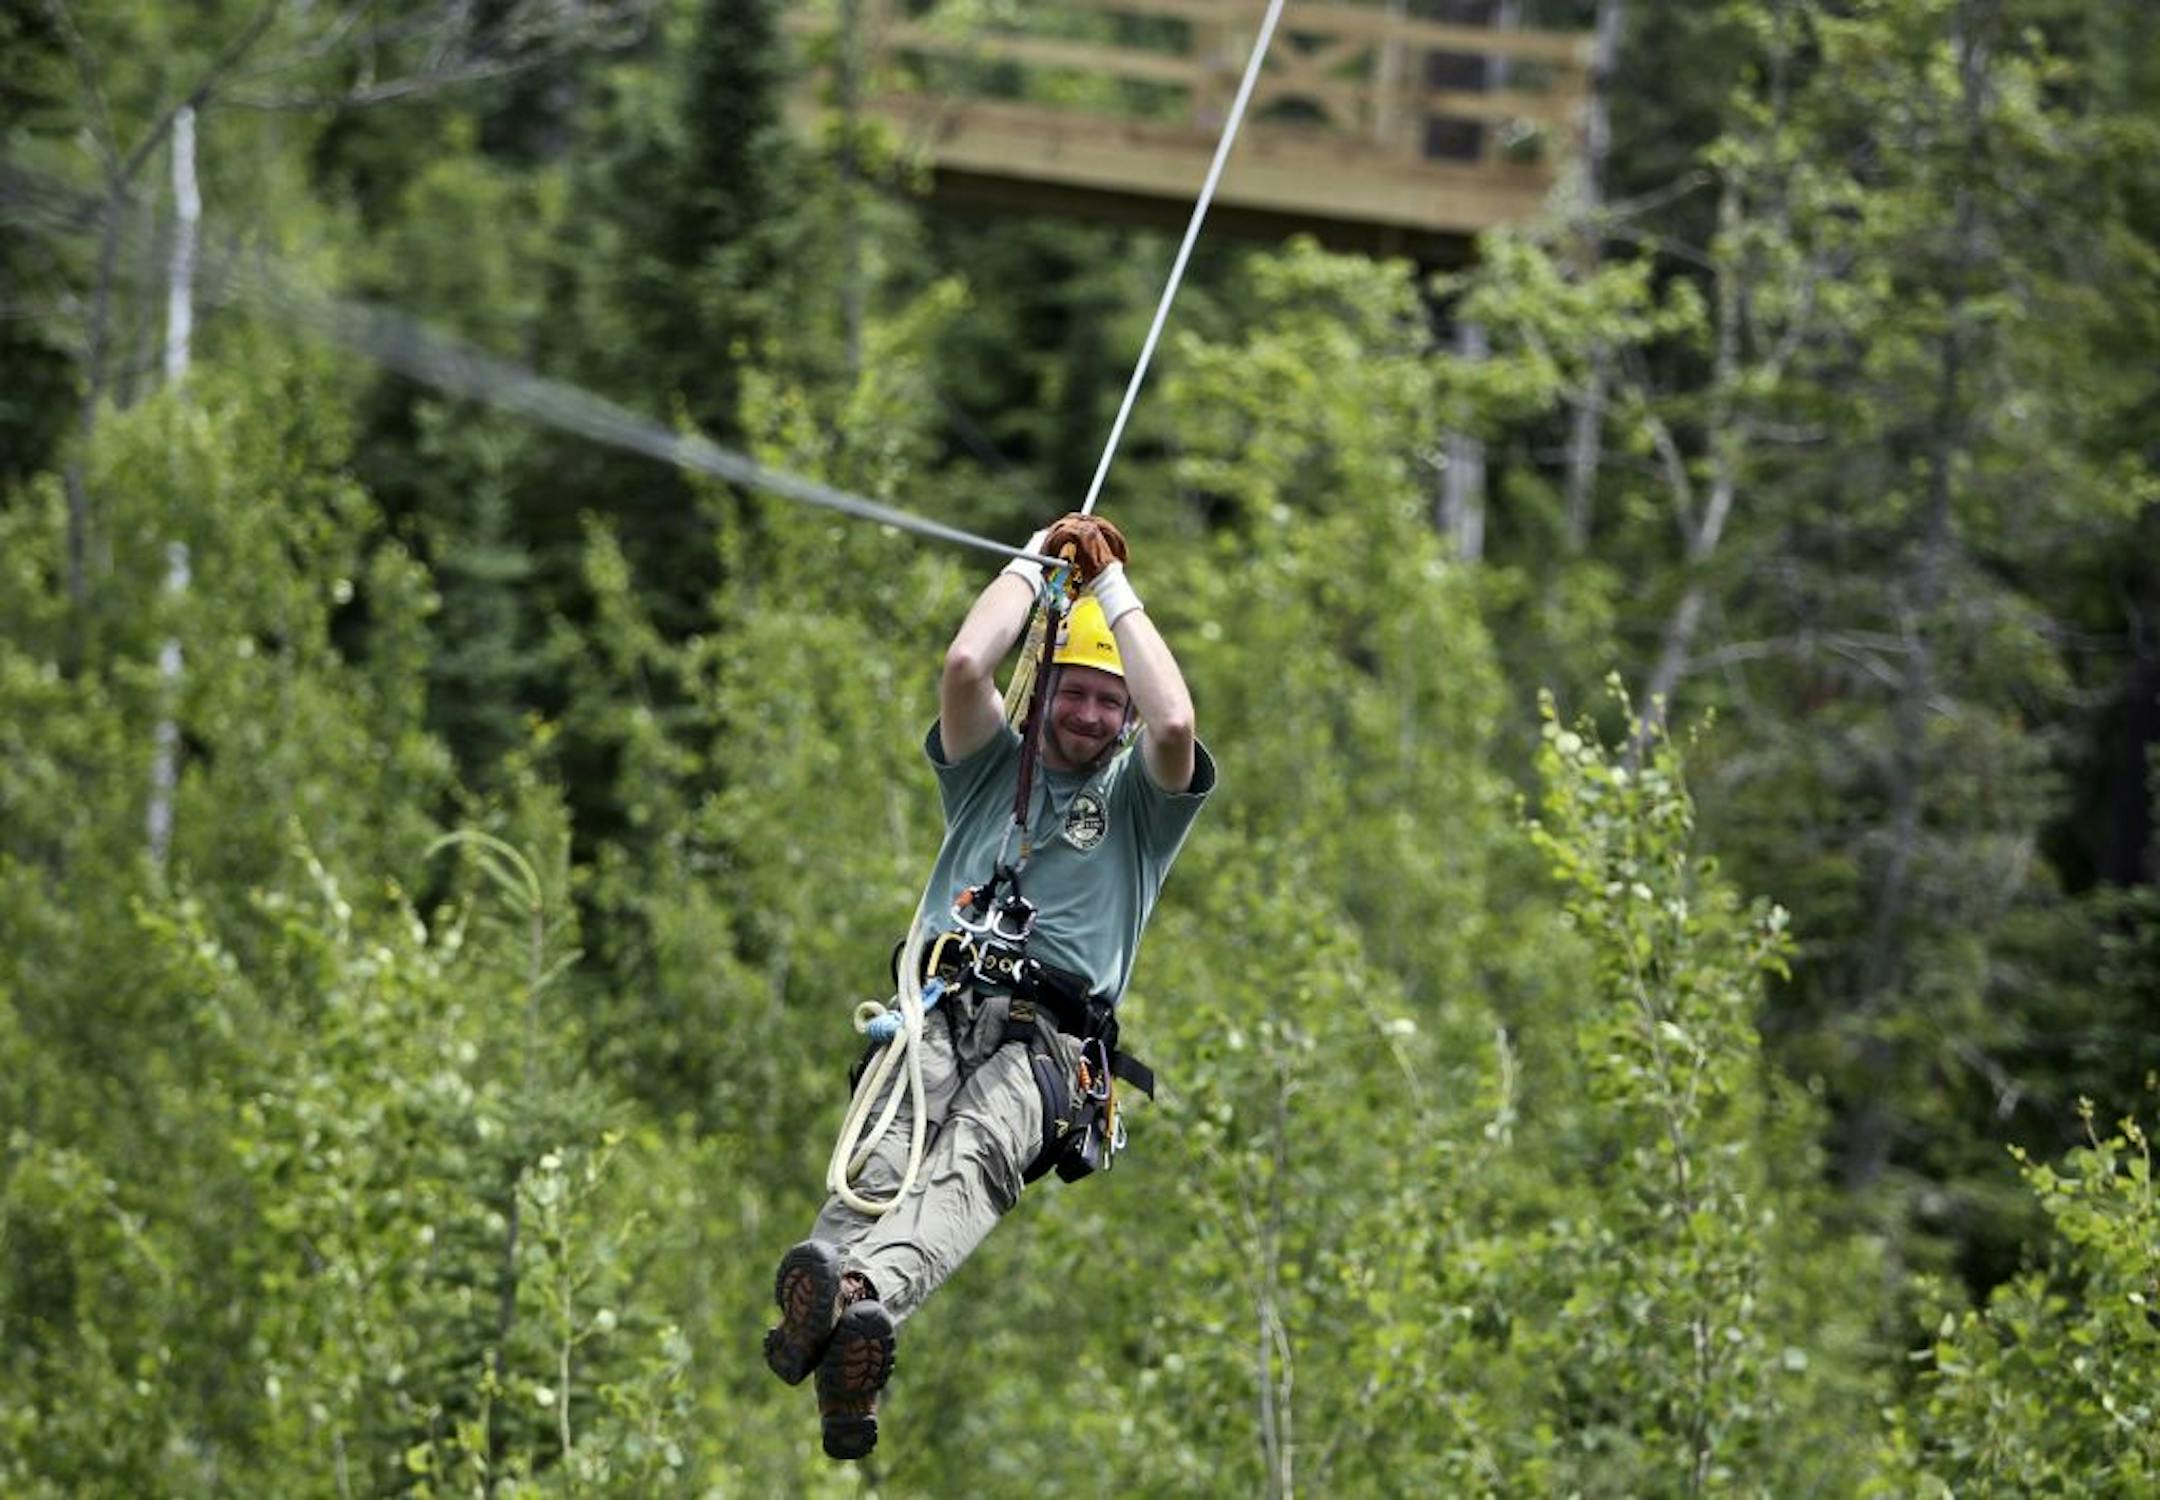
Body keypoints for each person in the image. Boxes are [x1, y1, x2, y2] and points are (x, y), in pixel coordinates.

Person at [760, 512, 1216, 1460]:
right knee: (880, 1170)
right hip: (939, 1001)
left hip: (1048, 1044)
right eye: (1077, 694)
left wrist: (1112, 588)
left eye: (1108, 702)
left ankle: (862, 1303)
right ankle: (837, 1317)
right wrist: (1034, 562)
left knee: (975, 1159)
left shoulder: (1139, 808)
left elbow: (1176, 722)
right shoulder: (986, 772)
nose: (1093, 716)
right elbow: (968, 667)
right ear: (1046, 688)